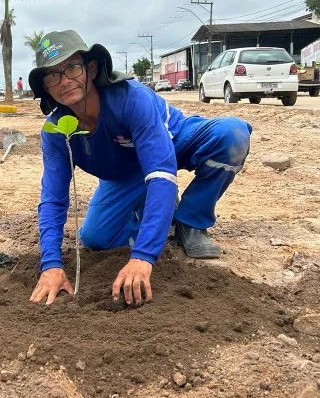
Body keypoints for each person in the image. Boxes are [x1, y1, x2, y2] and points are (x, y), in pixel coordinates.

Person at [28, 30, 252, 306]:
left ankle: (191, 220)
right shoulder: (56, 132)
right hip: (126, 172)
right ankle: (157, 212)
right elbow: (53, 198)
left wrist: (143, 256)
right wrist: (50, 264)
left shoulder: (130, 98)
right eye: (52, 75)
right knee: (96, 238)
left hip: (172, 142)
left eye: (72, 68)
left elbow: (160, 172)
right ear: (45, 86)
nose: (64, 80)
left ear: (92, 68)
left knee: (232, 135)